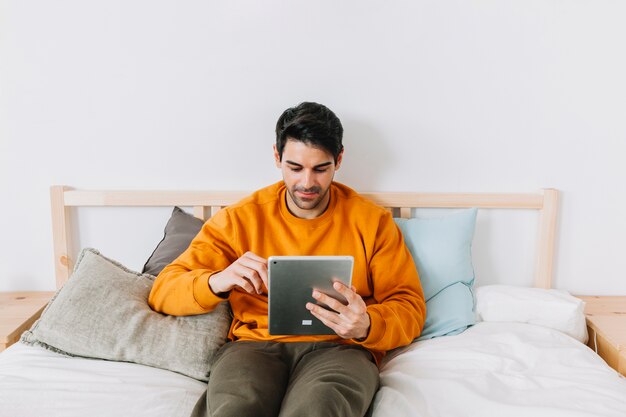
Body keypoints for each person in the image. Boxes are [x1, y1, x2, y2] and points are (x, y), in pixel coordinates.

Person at [148, 102, 426, 417]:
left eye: (321, 169)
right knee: (236, 408)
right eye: (295, 167)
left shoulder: (372, 222)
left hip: (341, 349)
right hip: (253, 347)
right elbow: (163, 291)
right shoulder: (240, 218)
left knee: (318, 409)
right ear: (277, 157)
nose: (307, 183)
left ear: (339, 160)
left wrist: (367, 325)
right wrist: (217, 281)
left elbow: (409, 305)